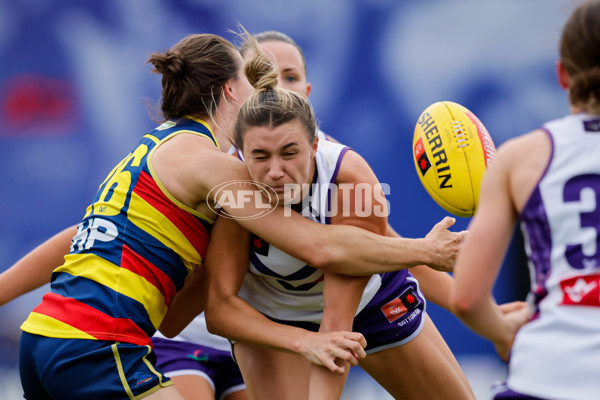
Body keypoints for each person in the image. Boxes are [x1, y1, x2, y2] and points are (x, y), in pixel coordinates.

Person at [10, 31, 466, 399]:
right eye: (252, 81)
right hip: (99, 344)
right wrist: (425, 249)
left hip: (43, 337)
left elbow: (86, 237)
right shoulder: (219, 170)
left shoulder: (153, 149)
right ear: (232, 90)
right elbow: (318, 246)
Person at [162, 52, 475, 399]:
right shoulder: (234, 187)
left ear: (314, 145)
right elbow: (220, 311)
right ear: (242, 152)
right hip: (272, 317)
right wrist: (305, 341)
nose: (275, 172)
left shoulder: (350, 180)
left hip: (367, 307)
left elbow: (337, 322)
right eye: (260, 156)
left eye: (289, 152)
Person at [450, 1, 600, 399]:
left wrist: (502, 331)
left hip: (549, 374)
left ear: (562, 74)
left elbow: (466, 297)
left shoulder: (522, 157)